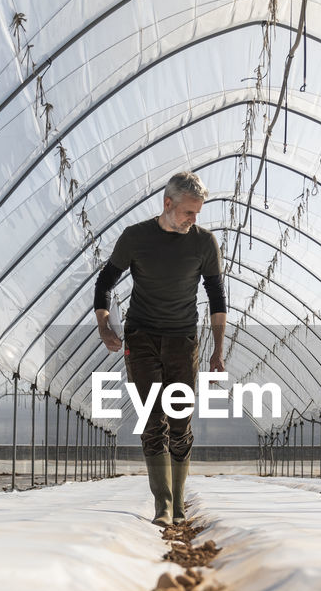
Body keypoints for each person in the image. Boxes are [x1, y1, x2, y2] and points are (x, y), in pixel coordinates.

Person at [93, 170, 226, 526]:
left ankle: (179, 503)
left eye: (197, 214)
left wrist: (217, 350)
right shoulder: (135, 238)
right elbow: (105, 282)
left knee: (180, 422)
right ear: (168, 204)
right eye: (188, 212)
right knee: (153, 421)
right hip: (142, 338)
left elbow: (216, 297)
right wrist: (104, 325)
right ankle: (162, 507)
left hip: (183, 340)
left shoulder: (204, 243)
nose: (193, 220)